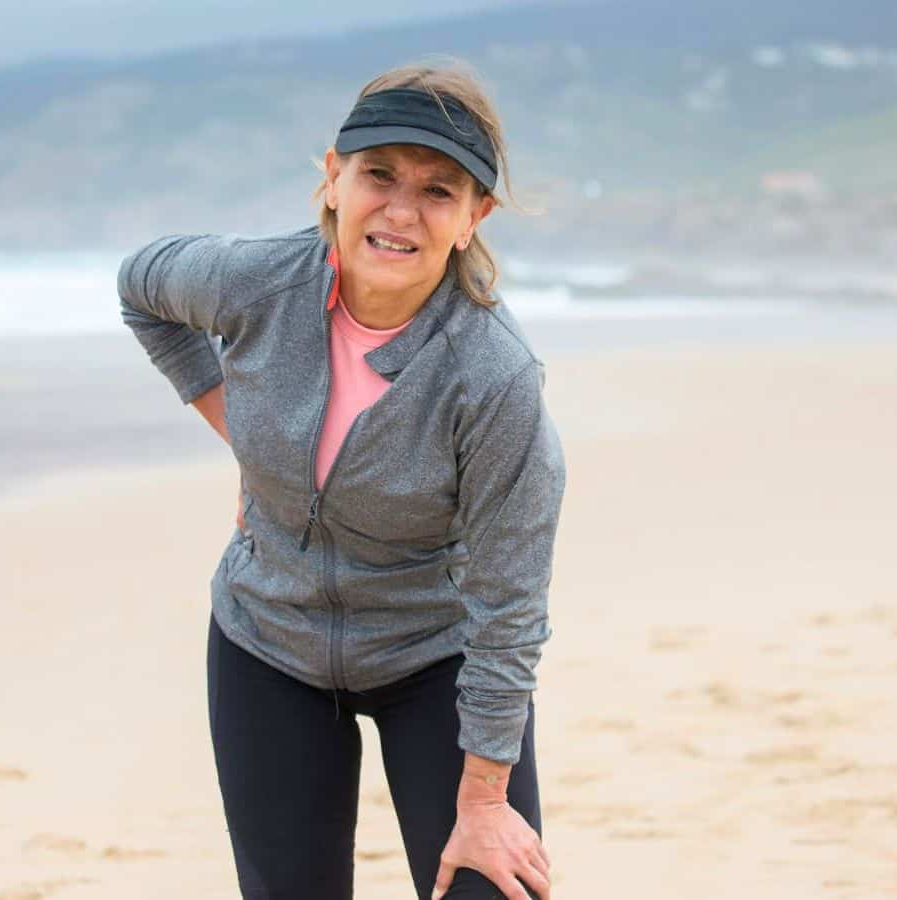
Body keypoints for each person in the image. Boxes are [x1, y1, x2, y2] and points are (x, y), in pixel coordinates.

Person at [116, 61, 565, 900]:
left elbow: (511, 610)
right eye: (379, 175)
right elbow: (140, 286)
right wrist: (239, 431)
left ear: (475, 218)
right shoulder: (257, 283)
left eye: (439, 190)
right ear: (333, 177)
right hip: (268, 641)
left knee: (492, 888)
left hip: (434, 653)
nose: (400, 210)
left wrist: (484, 802)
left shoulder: (493, 378)